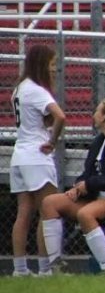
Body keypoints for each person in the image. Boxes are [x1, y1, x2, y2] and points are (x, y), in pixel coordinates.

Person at [40, 97, 105, 274]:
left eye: (97, 111)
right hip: (95, 197)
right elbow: (88, 173)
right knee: (50, 202)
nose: (93, 114)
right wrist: (77, 187)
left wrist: (90, 183)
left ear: (104, 117)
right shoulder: (99, 141)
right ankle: (55, 265)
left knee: (85, 214)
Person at [9, 44, 65, 277]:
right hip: (37, 156)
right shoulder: (37, 90)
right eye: (52, 65)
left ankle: (20, 269)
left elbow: (35, 120)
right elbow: (61, 116)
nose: (55, 70)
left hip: (19, 155)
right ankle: (46, 268)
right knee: (48, 210)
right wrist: (53, 140)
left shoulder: (19, 89)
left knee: (24, 213)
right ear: (42, 64)